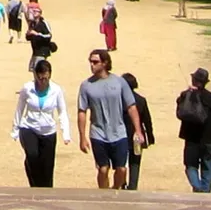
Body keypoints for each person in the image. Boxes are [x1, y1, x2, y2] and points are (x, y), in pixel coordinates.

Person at [77, 49, 147, 190]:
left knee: (121, 169)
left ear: (105, 63)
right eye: (90, 62)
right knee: (103, 169)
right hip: (98, 133)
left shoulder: (119, 82)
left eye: (95, 62)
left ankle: (115, 189)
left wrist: (138, 131)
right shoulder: (86, 86)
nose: (92, 65)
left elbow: (131, 107)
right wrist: (82, 137)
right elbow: (82, 111)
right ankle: (104, 195)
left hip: (119, 133)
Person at [11, 58, 71, 187]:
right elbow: (19, 109)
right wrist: (15, 129)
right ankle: (34, 186)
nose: (43, 82)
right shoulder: (27, 88)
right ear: (36, 76)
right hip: (29, 128)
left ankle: (46, 190)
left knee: (47, 166)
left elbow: (62, 112)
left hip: (48, 131)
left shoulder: (56, 90)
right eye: (40, 78)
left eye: (45, 78)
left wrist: (65, 133)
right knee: (32, 156)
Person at [176, 67, 211, 192]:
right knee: (208, 168)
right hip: (209, 139)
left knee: (190, 166)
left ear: (194, 80)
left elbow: (179, 110)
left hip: (191, 139)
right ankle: (205, 192)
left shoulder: (185, 95)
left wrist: (187, 93)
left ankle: (197, 187)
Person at [121, 72, 155, 190]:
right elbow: (147, 120)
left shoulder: (119, 100)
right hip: (137, 136)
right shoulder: (141, 100)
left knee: (121, 162)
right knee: (135, 162)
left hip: (121, 135)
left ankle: (122, 183)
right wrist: (150, 136)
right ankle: (133, 186)